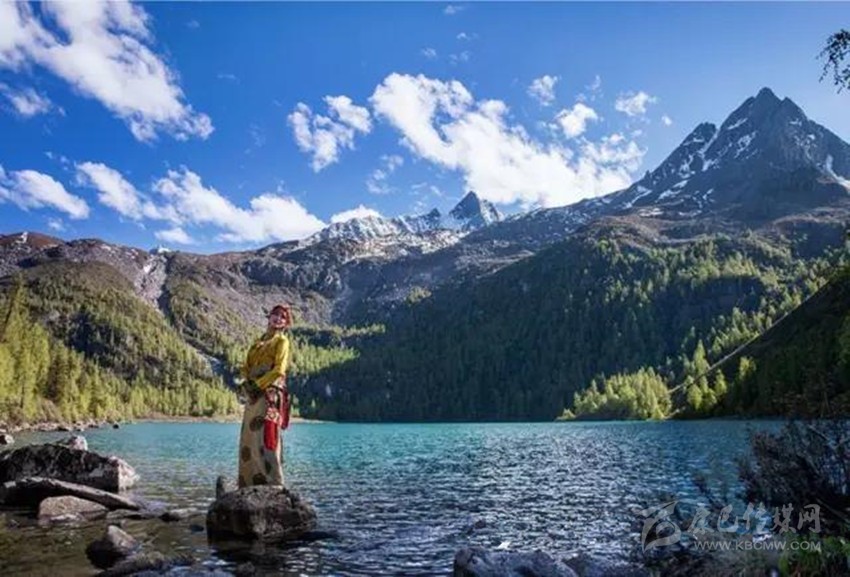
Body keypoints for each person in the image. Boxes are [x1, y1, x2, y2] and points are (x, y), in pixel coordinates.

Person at [237, 304, 292, 487]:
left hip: (270, 395)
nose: (278, 318)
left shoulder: (282, 341)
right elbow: (246, 366)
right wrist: (246, 381)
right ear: (269, 317)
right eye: (276, 314)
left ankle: (274, 483)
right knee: (249, 438)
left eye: (283, 317)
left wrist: (258, 384)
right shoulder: (257, 342)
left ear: (286, 323)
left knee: (268, 436)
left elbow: (279, 369)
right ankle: (249, 483)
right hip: (253, 396)